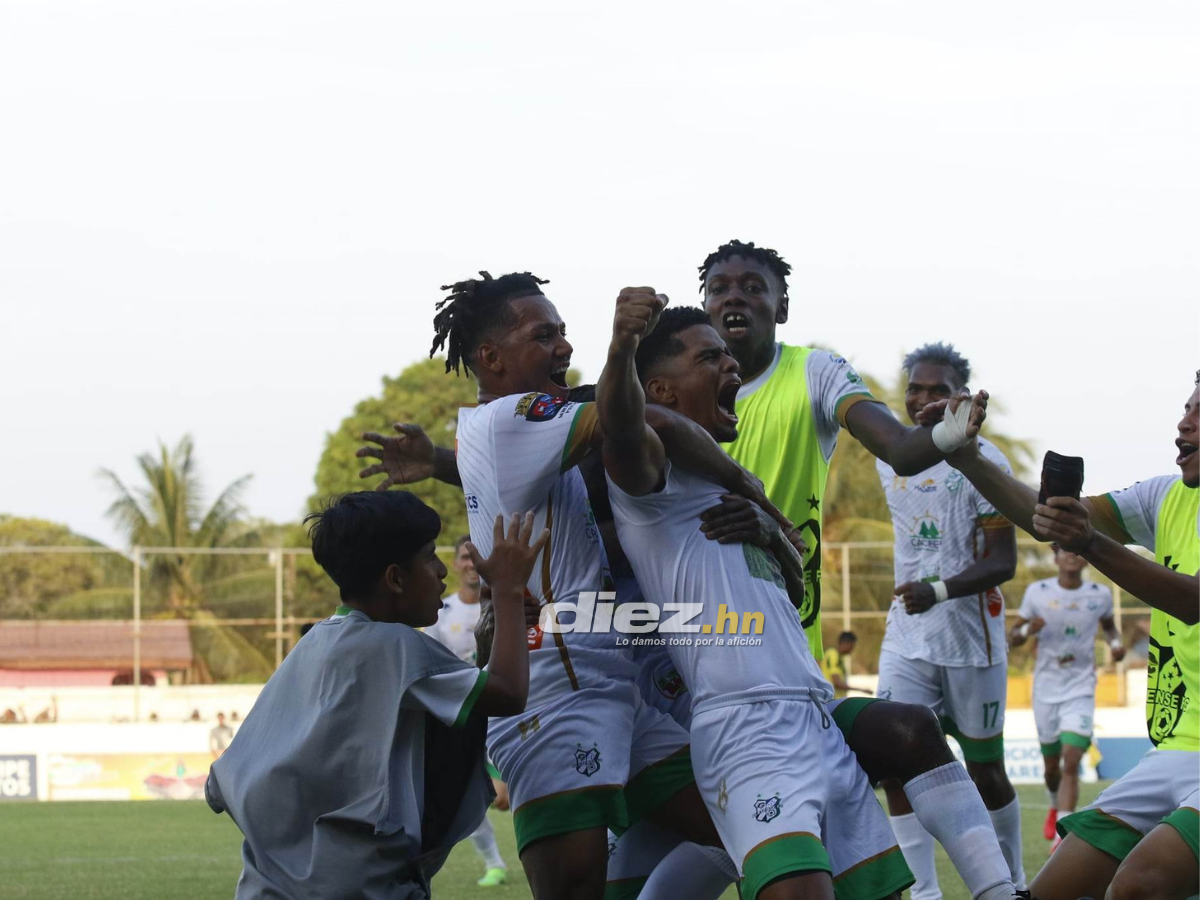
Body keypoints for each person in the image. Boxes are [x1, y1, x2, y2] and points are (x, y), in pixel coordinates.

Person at [362, 271, 768, 899]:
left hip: (607, 687)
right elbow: (638, 416)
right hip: (555, 698)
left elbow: (525, 467)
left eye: (564, 333)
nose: (562, 346)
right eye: (543, 334)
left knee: (748, 818)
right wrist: (747, 486)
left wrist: (439, 462)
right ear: (491, 357)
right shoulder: (515, 418)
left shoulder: (510, 427)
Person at [696, 241, 1019, 900]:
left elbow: (901, 450)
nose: (735, 296)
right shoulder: (669, 388)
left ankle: (1002, 885)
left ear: (781, 305)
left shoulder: (812, 371)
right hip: (686, 662)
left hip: (791, 660)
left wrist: (943, 440)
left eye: (753, 286)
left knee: (934, 753)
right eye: (720, 286)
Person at [597, 298, 913, 900]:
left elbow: (794, 590)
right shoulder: (651, 480)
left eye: (728, 355)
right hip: (746, 725)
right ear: (659, 388)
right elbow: (623, 425)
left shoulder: (735, 487)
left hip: (815, 717)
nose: (732, 366)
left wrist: (771, 529)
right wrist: (621, 346)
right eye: (709, 357)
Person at [205, 491, 545, 900]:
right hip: (361, 887)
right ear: (395, 578)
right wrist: (508, 591)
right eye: (429, 556)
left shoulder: (313, 643)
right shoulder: (397, 646)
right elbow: (508, 694)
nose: (441, 571)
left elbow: (219, 784)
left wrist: (489, 643)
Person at [943, 373, 1200, 900]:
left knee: (1137, 886)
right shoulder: (1165, 497)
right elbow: (1051, 522)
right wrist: (968, 459)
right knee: (1049, 891)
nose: (1183, 423)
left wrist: (1090, 544)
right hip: (1174, 751)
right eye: (1185, 407)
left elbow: (1193, 601)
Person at [873, 343, 1024, 897]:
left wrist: (936, 590)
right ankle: (925, 892)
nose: (924, 399)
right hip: (907, 637)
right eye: (915, 388)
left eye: (939, 390)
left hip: (971, 645)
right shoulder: (890, 457)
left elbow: (1002, 561)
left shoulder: (987, 465)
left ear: (960, 396)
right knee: (893, 767)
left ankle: (1016, 881)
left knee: (985, 774)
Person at [1010, 545, 1124, 847]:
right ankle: (1053, 802)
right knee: (1051, 769)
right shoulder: (1037, 592)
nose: (1072, 555)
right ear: (1055, 557)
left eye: (1077, 550)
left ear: (1085, 556)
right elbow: (1013, 637)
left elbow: (1111, 628)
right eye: (1065, 551)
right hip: (1046, 689)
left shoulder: (1099, 595)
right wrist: (1027, 631)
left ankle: (1061, 837)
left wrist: (1115, 644)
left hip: (1081, 688)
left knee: (1071, 761)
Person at [424, 534, 510, 888]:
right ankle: (494, 863)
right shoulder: (441, 612)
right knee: (463, 795)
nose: (472, 564)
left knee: (508, 796)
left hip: (509, 708)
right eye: (465, 556)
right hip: (464, 713)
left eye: (478, 557)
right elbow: (430, 663)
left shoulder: (508, 604)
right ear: (457, 563)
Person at [821, 632, 866, 698]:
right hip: (832, 700)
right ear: (846, 643)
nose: (852, 649)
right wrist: (861, 690)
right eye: (852, 646)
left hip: (837, 699)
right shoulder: (833, 654)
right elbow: (837, 683)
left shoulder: (839, 657)